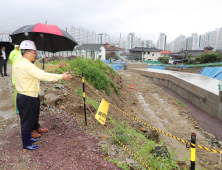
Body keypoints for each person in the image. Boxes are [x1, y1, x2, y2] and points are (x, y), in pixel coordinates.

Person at [13, 40, 72, 151]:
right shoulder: (27, 66)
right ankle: (26, 144)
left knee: (29, 118)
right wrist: (61, 77)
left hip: (24, 95)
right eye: (34, 52)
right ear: (26, 52)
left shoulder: (19, 64)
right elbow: (42, 75)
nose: (36, 55)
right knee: (27, 121)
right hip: (28, 96)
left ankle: (29, 140)